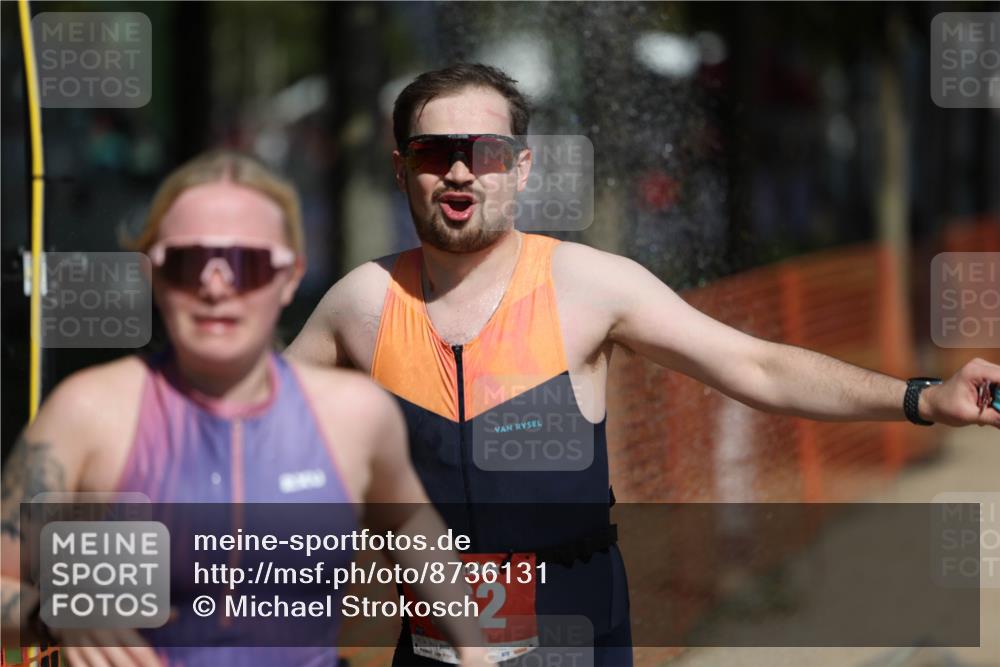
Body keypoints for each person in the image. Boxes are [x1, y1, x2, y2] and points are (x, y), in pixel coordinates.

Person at [286, 63, 1000, 665]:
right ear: (402, 167)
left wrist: (924, 397)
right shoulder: (362, 303)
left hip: (577, 632)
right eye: (435, 151)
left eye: (488, 150)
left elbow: (756, 367)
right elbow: (249, 420)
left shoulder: (590, 286)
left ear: (523, 167)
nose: (461, 170)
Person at [0, 150, 491, 667]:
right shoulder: (89, 413)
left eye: (247, 263)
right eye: (188, 261)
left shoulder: (353, 415)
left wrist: (474, 649)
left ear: (289, 277)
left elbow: (410, 522)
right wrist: (52, 610)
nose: (217, 285)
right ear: (154, 274)